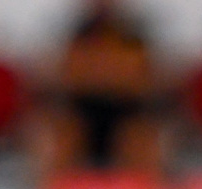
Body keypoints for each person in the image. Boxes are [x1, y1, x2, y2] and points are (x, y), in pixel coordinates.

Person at [45, 0, 161, 172]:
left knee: (140, 138)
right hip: (83, 112)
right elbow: (68, 76)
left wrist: (101, 75)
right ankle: (56, 187)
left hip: (125, 112)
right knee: (61, 137)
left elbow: (142, 78)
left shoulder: (132, 34)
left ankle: (146, 187)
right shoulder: (77, 34)